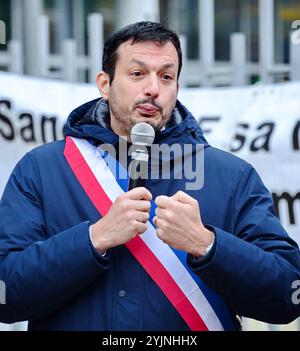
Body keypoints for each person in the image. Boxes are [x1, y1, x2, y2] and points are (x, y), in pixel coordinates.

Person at [0, 21, 299, 331]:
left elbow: (286, 296)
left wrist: (208, 245)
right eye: (137, 74)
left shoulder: (232, 176)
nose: (153, 89)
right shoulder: (42, 168)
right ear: (105, 83)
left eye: (166, 77)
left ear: (177, 88)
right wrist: (93, 239)